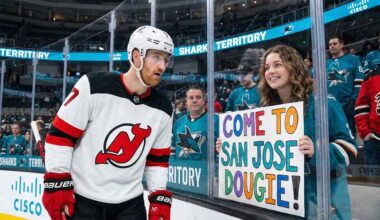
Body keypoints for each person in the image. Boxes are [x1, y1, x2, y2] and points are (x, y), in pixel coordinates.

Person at [42, 26, 175, 220]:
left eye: (166, 59)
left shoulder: (163, 107)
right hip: (83, 201)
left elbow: (158, 159)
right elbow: (60, 137)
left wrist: (158, 196)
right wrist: (58, 179)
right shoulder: (93, 85)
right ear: (137, 56)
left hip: (131, 205)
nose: (162, 66)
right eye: (156, 57)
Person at [260, 45, 357, 219]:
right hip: (285, 202)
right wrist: (231, 147)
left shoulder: (323, 102)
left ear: (293, 67)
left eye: (277, 65)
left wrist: (317, 150)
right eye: (267, 68)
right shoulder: (267, 110)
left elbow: (350, 148)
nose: (271, 71)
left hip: (324, 201)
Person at [326, 36, 364, 136]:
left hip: (348, 103)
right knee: (332, 133)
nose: (332, 46)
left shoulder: (353, 59)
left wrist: (354, 100)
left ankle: (351, 151)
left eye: (335, 44)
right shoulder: (325, 64)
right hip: (330, 105)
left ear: (341, 45)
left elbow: (359, 81)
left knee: (349, 132)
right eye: (330, 44)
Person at [172, 85, 218, 160]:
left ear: (204, 101)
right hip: (181, 169)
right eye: (191, 98)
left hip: (205, 170)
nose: (194, 100)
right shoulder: (178, 122)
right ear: (186, 102)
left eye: (198, 97)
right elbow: (173, 151)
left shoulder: (216, 120)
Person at [355, 67, 380, 167]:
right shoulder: (371, 75)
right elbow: (361, 106)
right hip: (375, 140)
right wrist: (365, 132)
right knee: (372, 181)